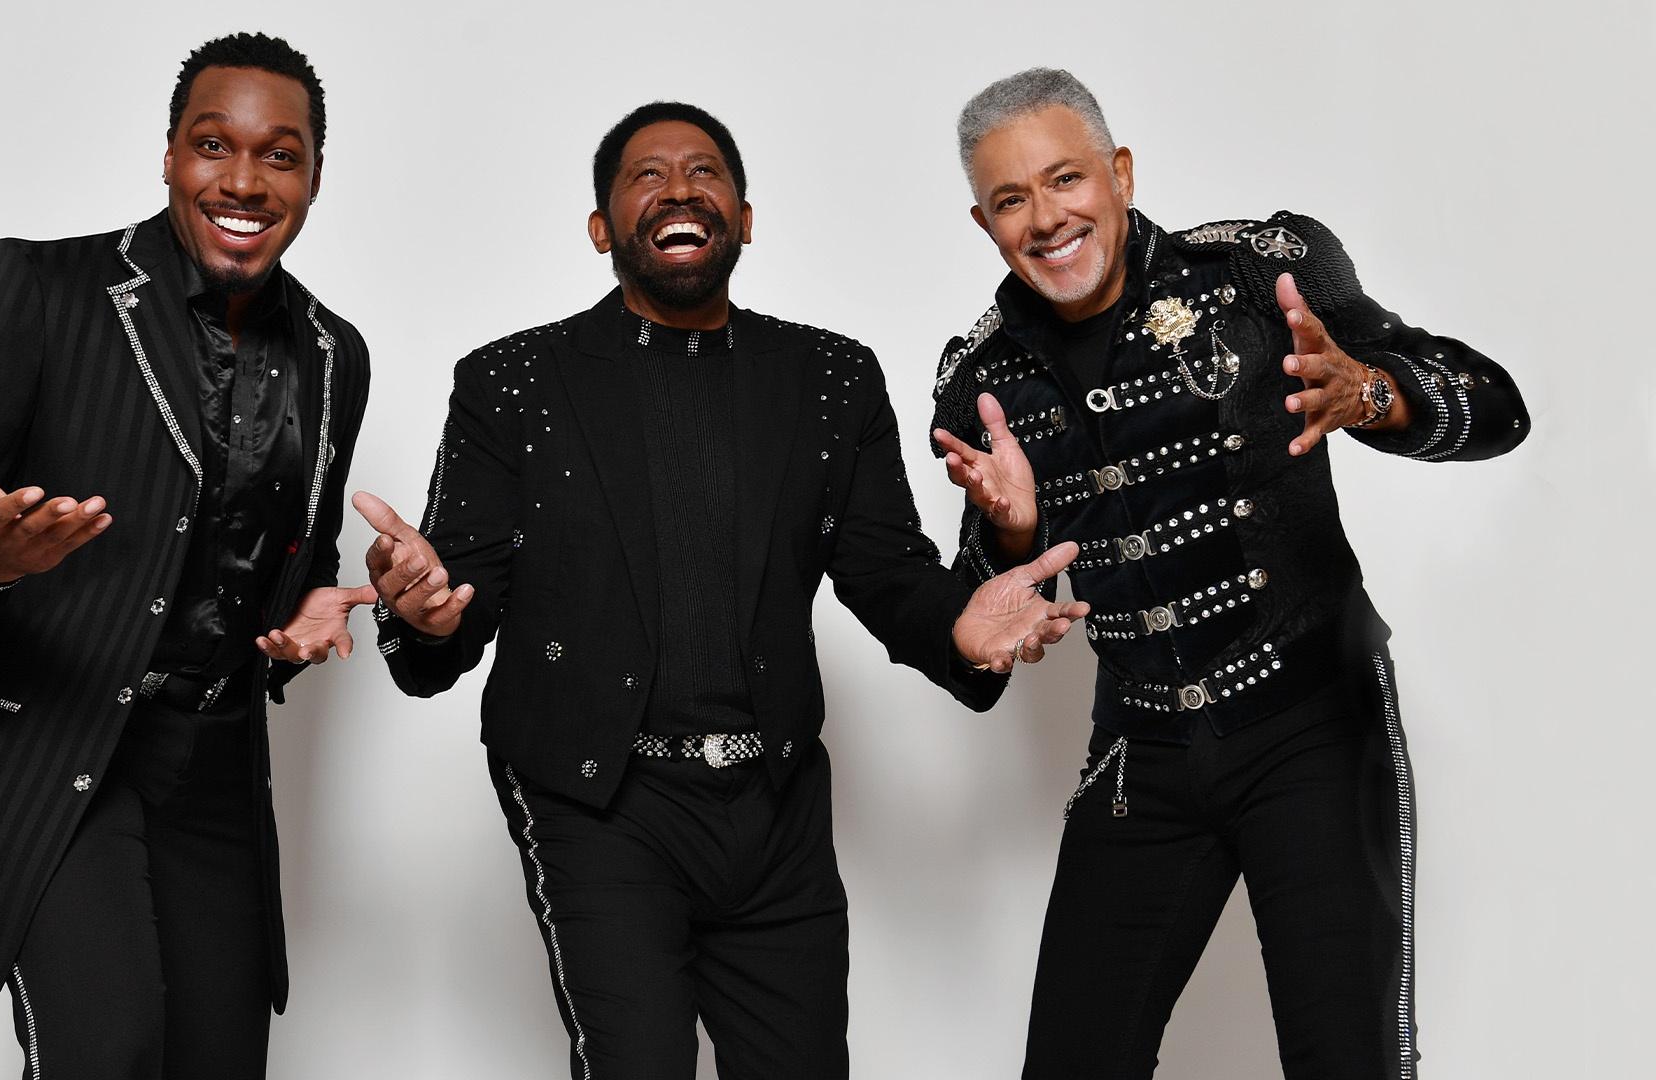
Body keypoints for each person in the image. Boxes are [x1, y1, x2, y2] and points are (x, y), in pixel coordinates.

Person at [357, 101, 1088, 1079]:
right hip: (595, 800)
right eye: (646, 176)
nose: (678, 189)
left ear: (744, 219)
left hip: (775, 803)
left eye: (704, 172)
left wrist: (981, 589)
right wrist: (421, 612)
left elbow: (887, 574)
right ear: (602, 228)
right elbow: (456, 596)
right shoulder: (514, 382)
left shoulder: (830, 377)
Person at [928, 68, 1529, 1078]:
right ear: (984, 223)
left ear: (1120, 174)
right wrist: (1013, 534)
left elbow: (1497, 408)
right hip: (1141, 754)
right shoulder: (981, 380)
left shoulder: (1257, 272)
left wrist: (1369, 392)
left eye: (1066, 178)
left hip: (1312, 724)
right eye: (1011, 199)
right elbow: (982, 640)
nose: (1046, 218)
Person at [0, 32, 373, 1079]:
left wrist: (302, 617)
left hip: (214, 772)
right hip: (48, 748)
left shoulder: (334, 354)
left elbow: (289, 562)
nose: (244, 181)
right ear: (170, 155)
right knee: (108, 1051)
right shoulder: (41, 288)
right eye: (213, 145)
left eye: (279, 155)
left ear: (315, 176)